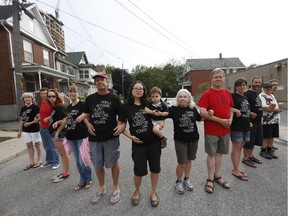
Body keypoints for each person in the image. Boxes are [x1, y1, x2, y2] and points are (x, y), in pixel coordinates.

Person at [79, 72, 124, 205]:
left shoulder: (114, 98)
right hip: (94, 139)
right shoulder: (90, 99)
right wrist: (87, 124)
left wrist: (122, 127)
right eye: (97, 80)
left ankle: (116, 187)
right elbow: (85, 115)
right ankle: (102, 187)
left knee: (113, 163)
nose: (99, 82)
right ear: (95, 83)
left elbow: (122, 117)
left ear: (107, 81)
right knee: (98, 164)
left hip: (111, 137)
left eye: (102, 80)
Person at [118, 81, 161, 207]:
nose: (138, 90)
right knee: (138, 171)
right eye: (135, 88)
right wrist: (130, 136)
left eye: (141, 89)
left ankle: (153, 192)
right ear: (131, 90)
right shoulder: (126, 106)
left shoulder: (149, 104)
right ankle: (137, 191)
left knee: (155, 169)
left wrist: (160, 125)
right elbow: (120, 126)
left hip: (154, 143)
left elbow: (161, 116)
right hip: (138, 145)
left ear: (144, 91)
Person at [197, 68, 234, 193]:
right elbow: (202, 112)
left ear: (224, 78)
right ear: (211, 79)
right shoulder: (207, 94)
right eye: (215, 77)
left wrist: (230, 121)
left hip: (225, 131)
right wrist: (221, 121)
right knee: (211, 155)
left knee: (219, 155)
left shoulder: (227, 93)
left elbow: (231, 109)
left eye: (220, 76)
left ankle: (218, 176)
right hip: (212, 130)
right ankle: (210, 178)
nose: (218, 79)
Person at [55, 84, 92, 189]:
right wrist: (58, 131)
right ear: (68, 94)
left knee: (83, 160)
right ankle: (82, 180)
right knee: (77, 161)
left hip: (81, 136)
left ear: (78, 93)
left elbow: (90, 114)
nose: (72, 93)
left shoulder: (83, 105)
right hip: (70, 137)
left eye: (74, 91)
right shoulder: (69, 107)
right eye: (71, 92)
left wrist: (83, 115)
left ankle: (89, 179)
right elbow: (66, 119)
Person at [167, 89, 201, 194]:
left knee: (189, 161)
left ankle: (187, 179)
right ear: (178, 98)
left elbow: (200, 119)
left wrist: (210, 112)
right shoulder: (173, 109)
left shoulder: (193, 109)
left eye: (185, 97)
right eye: (180, 96)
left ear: (189, 99)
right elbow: (161, 113)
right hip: (180, 140)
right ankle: (178, 181)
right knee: (182, 163)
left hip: (193, 139)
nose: (182, 98)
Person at [47, 89, 69, 183]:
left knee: (63, 154)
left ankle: (66, 173)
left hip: (59, 133)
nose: (51, 98)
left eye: (53, 96)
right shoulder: (54, 107)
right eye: (49, 96)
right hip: (54, 132)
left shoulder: (59, 107)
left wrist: (57, 125)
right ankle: (64, 171)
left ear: (57, 97)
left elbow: (66, 118)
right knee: (62, 154)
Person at [230, 78, 250, 181]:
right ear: (236, 86)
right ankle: (236, 170)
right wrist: (235, 110)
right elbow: (226, 107)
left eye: (244, 85)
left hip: (246, 126)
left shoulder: (245, 97)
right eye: (240, 85)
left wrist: (249, 120)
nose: (243, 87)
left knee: (240, 149)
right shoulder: (232, 96)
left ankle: (236, 168)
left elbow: (245, 111)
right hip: (237, 127)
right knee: (236, 149)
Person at [35, 88, 60, 169]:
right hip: (42, 127)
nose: (43, 95)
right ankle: (49, 161)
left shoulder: (51, 103)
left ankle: (56, 162)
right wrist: (38, 116)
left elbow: (55, 113)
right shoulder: (42, 102)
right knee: (46, 146)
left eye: (45, 93)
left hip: (49, 127)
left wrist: (49, 118)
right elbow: (42, 112)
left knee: (53, 146)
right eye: (41, 93)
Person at [242, 76, 263, 168]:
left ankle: (250, 156)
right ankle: (245, 158)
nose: (257, 84)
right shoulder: (247, 93)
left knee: (254, 140)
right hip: (250, 122)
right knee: (249, 141)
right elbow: (243, 106)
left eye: (259, 82)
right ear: (252, 83)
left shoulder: (257, 94)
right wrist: (249, 113)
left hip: (258, 122)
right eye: (256, 82)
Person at [17, 92, 42, 170]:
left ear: (32, 99)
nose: (27, 99)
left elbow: (39, 119)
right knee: (29, 146)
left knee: (37, 145)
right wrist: (20, 131)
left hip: (35, 129)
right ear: (23, 99)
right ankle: (31, 162)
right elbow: (22, 120)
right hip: (26, 131)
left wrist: (30, 123)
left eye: (29, 97)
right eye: (25, 97)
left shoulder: (35, 107)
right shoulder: (23, 108)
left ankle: (39, 160)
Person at [259, 82, 282, 159]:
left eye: (270, 87)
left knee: (272, 136)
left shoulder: (271, 95)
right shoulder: (262, 95)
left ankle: (269, 150)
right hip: (267, 120)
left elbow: (272, 106)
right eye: (267, 88)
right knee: (266, 136)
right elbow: (265, 107)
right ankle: (263, 151)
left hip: (274, 120)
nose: (269, 89)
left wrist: (274, 108)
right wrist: (276, 110)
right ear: (263, 88)